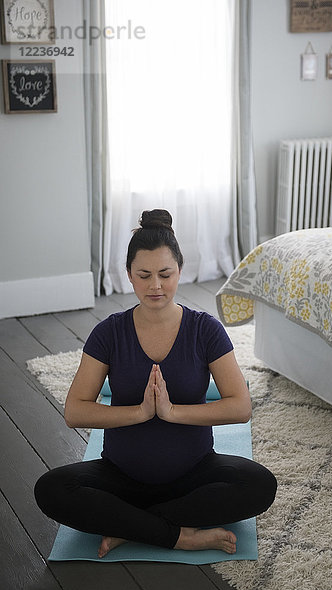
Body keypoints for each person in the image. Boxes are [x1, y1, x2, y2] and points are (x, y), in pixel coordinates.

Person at [34, 209, 277, 558]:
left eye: (165, 274)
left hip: (194, 475)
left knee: (260, 485)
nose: (156, 286)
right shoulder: (109, 333)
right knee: (51, 489)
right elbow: (75, 411)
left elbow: (240, 406)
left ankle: (132, 528)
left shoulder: (205, 329)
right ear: (129, 276)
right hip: (121, 477)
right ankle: (178, 534)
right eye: (144, 275)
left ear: (180, 270)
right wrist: (141, 412)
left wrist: (171, 412)